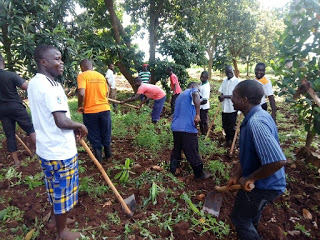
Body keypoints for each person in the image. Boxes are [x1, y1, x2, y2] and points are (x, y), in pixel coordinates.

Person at [28, 44, 88, 240]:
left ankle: (58, 219)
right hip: (60, 151)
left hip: (46, 148)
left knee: (53, 188)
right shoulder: (52, 87)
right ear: (43, 62)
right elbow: (61, 121)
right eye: (57, 59)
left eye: (61, 58)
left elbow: (47, 118)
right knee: (63, 192)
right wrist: (79, 125)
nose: (61, 62)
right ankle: (62, 232)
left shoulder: (35, 83)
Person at [227, 80, 286, 240]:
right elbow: (248, 154)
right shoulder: (257, 116)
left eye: (234, 96)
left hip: (265, 185)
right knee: (251, 214)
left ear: (244, 100)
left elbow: (277, 161)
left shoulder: (256, 123)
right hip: (261, 183)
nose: (231, 98)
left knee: (240, 219)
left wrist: (252, 177)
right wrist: (236, 176)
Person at [0, 54, 36, 167]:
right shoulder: (11, 75)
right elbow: (27, 87)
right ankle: (38, 152)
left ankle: (16, 162)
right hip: (16, 107)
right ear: (3, 62)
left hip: (2, 110)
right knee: (30, 128)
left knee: (10, 135)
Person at [170, 82, 210, 180]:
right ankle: (200, 174)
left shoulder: (180, 96)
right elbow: (196, 94)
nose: (198, 91)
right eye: (198, 89)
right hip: (187, 128)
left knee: (177, 149)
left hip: (176, 127)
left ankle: (173, 170)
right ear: (193, 87)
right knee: (192, 151)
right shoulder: (193, 91)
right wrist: (198, 114)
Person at [77, 59, 112, 162]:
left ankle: (99, 160)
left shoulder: (82, 75)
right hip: (105, 109)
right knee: (106, 131)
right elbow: (107, 92)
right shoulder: (101, 76)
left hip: (90, 111)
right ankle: (108, 156)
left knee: (93, 134)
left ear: (82, 67)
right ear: (91, 66)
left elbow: (81, 93)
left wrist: (80, 105)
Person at [218, 65, 240, 147]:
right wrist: (220, 97)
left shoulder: (237, 82)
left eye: (230, 72)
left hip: (232, 108)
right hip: (224, 108)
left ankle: (234, 142)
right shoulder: (224, 81)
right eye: (227, 72)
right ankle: (227, 140)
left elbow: (237, 96)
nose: (229, 74)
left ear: (233, 71)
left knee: (232, 126)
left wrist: (225, 96)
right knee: (225, 125)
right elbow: (221, 93)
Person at [199, 71, 210, 135]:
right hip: (200, 107)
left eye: (203, 77)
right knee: (200, 121)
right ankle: (202, 133)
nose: (201, 79)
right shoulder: (201, 84)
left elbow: (205, 101)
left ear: (207, 78)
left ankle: (205, 134)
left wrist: (196, 103)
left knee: (204, 121)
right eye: (201, 77)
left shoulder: (206, 87)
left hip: (203, 107)